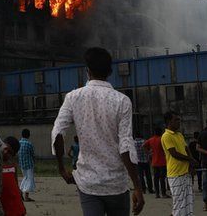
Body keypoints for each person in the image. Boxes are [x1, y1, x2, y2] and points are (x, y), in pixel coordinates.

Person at [52, 47, 144, 216]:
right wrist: (137, 187)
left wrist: (61, 168)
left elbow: (58, 132)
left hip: (88, 183)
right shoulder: (122, 101)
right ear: (110, 71)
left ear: (87, 71)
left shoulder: (73, 97)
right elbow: (125, 146)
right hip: (116, 185)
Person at [162, 111, 196, 216]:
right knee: (179, 204)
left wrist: (191, 162)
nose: (178, 122)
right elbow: (174, 153)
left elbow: (186, 148)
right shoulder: (166, 136)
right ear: (169, 122)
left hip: (185, 172)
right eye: (176, 120)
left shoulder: (179, 134)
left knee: (187, 203)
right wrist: (190, 160)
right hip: (175, 174)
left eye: (179, 120)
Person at [1, 137, 27, 216]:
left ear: (13, 155)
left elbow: (15, 182)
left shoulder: (13, 165)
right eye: (5, 148)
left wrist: (19, 194)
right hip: (2, 200)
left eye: (9, 152)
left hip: (14, 201)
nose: (6, 152)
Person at [145, 128, 168, 199]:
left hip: (154, 162)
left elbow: (144, 145)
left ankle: (157, 194)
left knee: (156, 178)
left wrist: (148, 152)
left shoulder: (151, 139)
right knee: (162, 178)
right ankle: (163, 193)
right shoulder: (161, 139)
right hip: (162, 161)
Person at [18, 129, 36, 202]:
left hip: (22, 164)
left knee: (25, 178)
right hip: (29, 164)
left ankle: (20, 192)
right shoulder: (29, 144)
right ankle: (26, 196)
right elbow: (32, 154)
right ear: (28, 135)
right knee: (29, 179)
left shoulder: (19, 143)